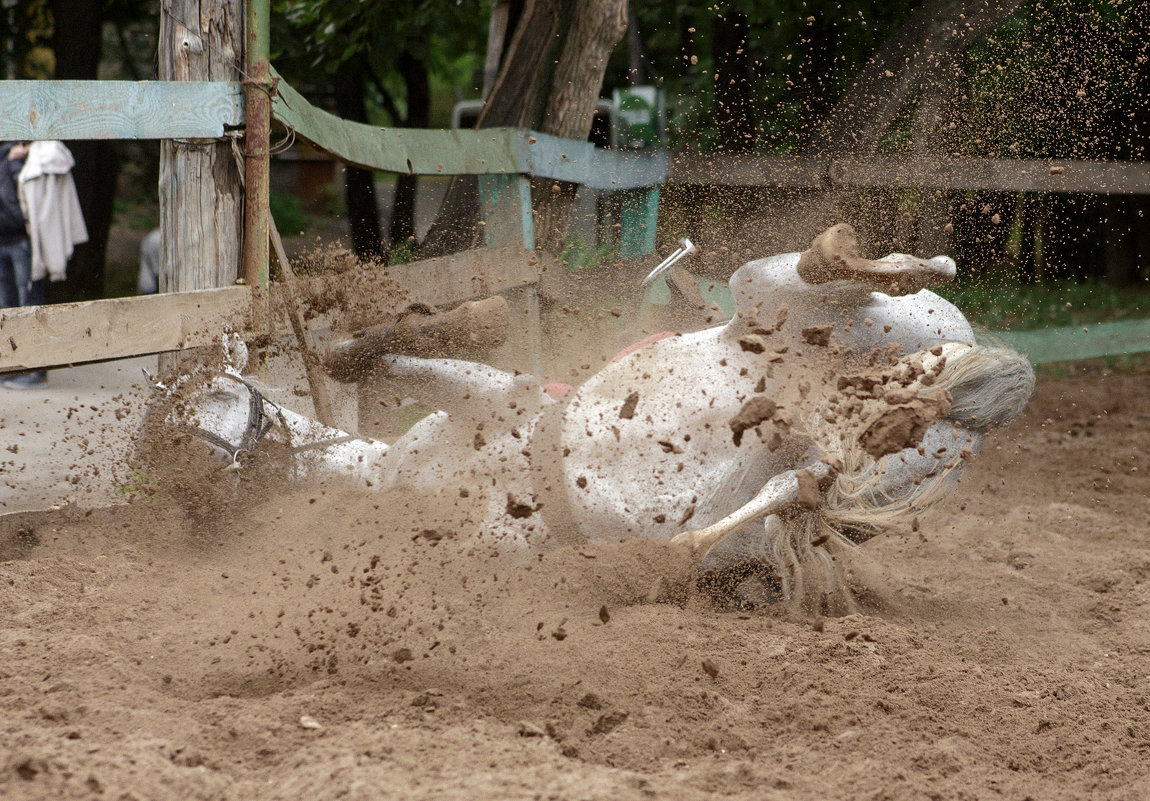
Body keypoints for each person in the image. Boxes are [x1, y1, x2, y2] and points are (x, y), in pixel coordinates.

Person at [0, 140, 88, 389]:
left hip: (22, 243)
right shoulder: (5, 153)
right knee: (6, 308)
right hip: (2, 242)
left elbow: (20, 196)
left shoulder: (35, 155)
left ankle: (36, 371)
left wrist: (16, 162)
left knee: (29, 306)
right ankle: (13, 366)